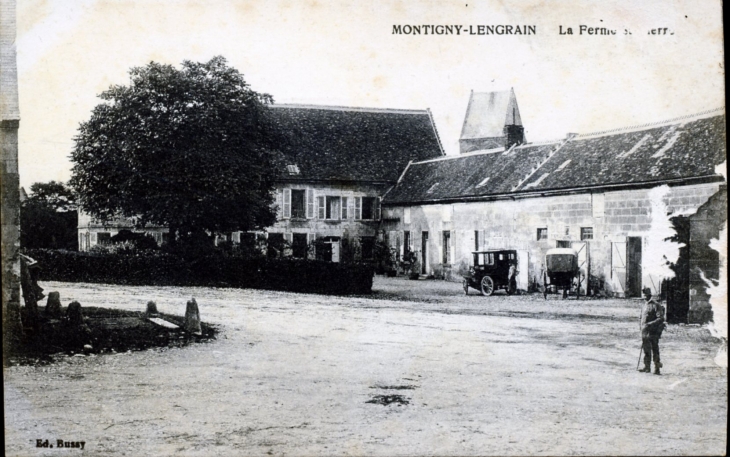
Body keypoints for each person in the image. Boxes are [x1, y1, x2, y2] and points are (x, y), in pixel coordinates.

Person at [639, 287, 666, 374]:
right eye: (643, 295)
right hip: (645, 331)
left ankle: (657, 368)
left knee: (655, 349)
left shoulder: (656, 305)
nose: (644, 297)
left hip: (653, 332)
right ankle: (647, 367)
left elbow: (661, 318)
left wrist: (650, 324)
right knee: (646, 349)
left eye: (645, 295)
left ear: (649, 295)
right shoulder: (644, 305)